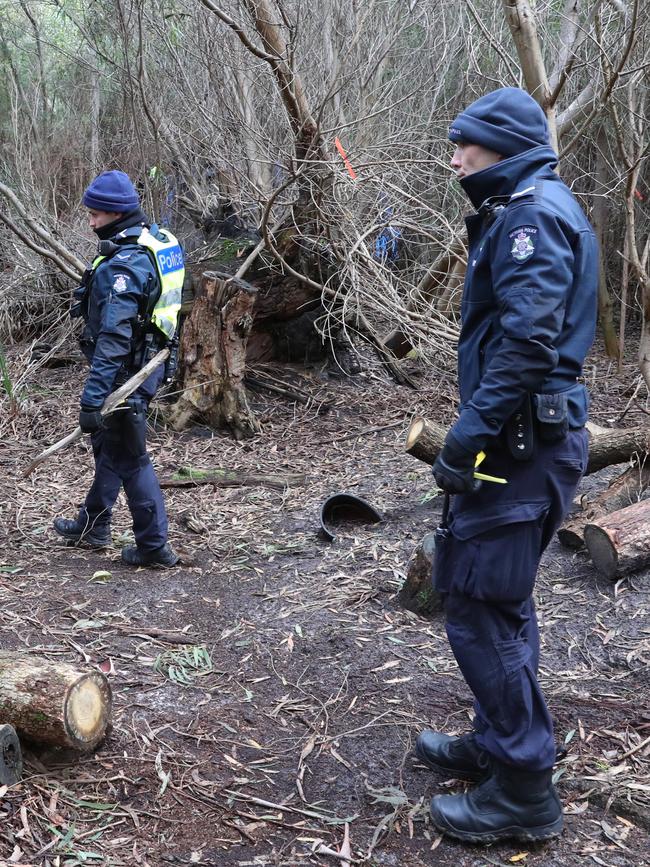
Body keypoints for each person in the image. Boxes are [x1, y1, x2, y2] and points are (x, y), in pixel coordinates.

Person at [415, 88, 598, 843]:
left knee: (478, 605)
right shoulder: (525, 207)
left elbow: (528, 343)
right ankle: (501, 744)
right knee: (502, 601)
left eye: (465, 146)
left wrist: (466, 436)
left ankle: (524, 791)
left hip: (518, 447)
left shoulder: (531, 215)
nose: (455, 159)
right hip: (523, 442)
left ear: (500, 146)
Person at [53, 170, 184, 568]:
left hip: (125, 377)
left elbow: (114, 338)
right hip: (153, 361)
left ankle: (153, 548)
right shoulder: (159, 241)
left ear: (116, 212)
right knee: (109, 448)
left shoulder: (124, 265)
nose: (90, 222)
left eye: (95, 214)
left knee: (130, 458)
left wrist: (93, 399)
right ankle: (94, 526)